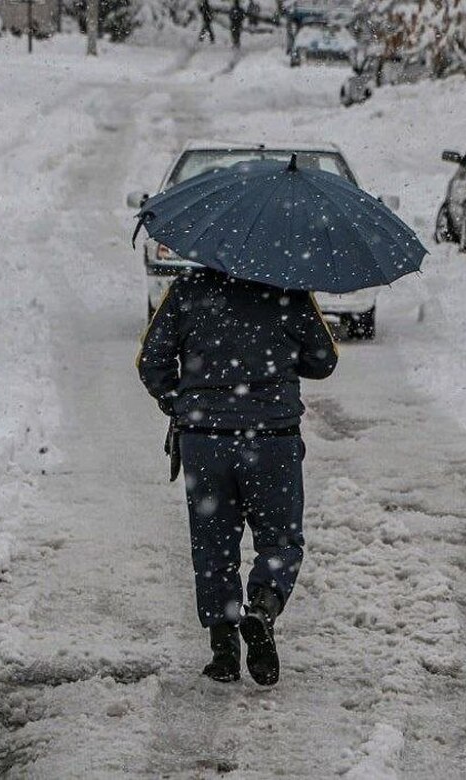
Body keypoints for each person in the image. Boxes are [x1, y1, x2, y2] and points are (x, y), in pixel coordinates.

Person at [136, 269, 338, 686]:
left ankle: (223, 650)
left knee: (212, 543)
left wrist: (179, 402)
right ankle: (262, 609)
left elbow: (151, 360)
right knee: (280, 539)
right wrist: (280, 353)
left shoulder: (187, 290)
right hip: (272, 439)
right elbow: (324, 360)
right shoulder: (288, 288)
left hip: (204, 440)